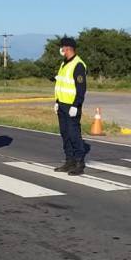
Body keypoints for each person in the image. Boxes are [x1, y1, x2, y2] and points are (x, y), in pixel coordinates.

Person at [53, 37, 87, 175]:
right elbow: (60, 84)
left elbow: (81, 87)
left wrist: (76, 104)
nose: (61, 50)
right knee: (65, 134)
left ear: (67, 48)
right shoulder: (64, 64)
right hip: (62, 104)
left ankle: (79, 163)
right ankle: (69, 161)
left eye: (62, 47)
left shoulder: (78, 65)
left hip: (72, 106)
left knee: (74, 135)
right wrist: (56, 102)